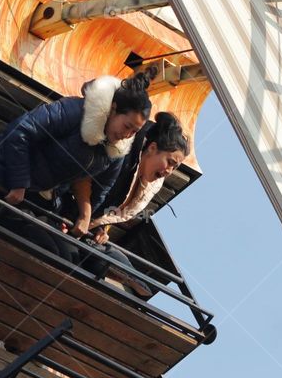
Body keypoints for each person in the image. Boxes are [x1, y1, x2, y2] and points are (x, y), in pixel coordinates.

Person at [0, 70, 155, 241]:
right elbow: (20, 131)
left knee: (62, 250)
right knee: (38, 243)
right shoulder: (76, 111)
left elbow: (101, 189)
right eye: (127, 126)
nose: (127, 135)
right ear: (113, 110)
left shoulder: (115, 152)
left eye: (134, 132)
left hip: (33, 201)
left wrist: (82, 218)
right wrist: (19, 184)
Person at [66, 112, 190, 296]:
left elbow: (107, 211)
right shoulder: (121, 154)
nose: (169, 171)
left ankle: (122, 276)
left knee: (122, 268)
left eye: (175, 168)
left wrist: (102, 230)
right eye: (170, 162)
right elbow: (82, 179)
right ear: (152, 148)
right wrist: (85, 215)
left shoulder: (143, 184)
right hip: (64, 211)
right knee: (73, 258)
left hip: (85, 232)